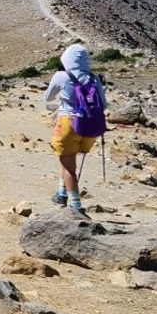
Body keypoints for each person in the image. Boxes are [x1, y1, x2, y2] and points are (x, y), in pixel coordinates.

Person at [44, 44, 107, 214]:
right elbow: (104, 104)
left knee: (69, 165)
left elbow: (47, 97)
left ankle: (76, 207)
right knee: (68, 159)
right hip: (90, 127)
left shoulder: (61, 75)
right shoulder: (94, 78)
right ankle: (61, 193)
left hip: (68, 123)